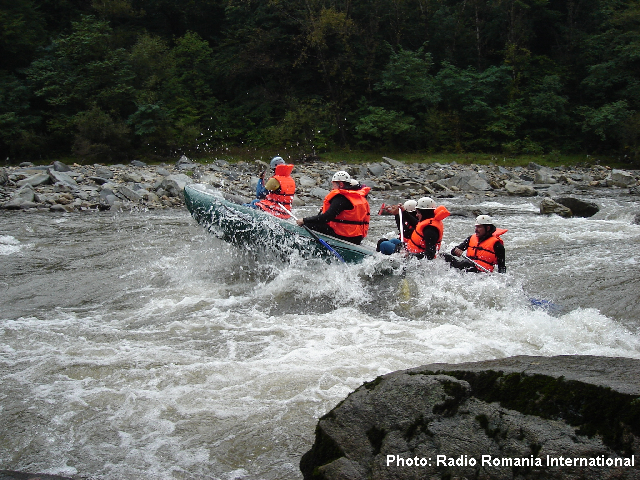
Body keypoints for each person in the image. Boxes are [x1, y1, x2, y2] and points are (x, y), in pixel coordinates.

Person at [296, 171, 370, 245]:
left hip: (344, 236)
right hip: (357, 237)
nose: (332, 187)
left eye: (334, 184)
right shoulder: (359, 197)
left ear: (340, 184)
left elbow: (326, 217)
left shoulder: (341, 198)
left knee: (308, 225)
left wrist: (304, 220)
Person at [442, 214, 507, 273]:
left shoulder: (497, 245)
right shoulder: (471, 238)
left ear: (488, 228)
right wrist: (456, 250)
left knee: (466, 264)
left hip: (481, 273)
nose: (476, 230)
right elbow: (453, 252)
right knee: (444, 256)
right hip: (467, 267)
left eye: (479, 227)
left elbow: (502, 267)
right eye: (476, 227)